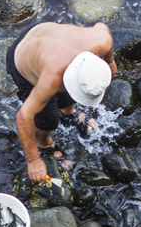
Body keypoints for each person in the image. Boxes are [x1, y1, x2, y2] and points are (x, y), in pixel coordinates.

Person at [7, 21, 117, 183]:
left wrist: (109, 61)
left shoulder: (102, 41)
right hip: (22, 58)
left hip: (46, 35)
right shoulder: (52, 79)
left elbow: (103, 26)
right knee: (48, 118)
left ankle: (69, 112)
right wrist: (33, 161)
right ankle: (44, 143)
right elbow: (24, 116)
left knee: (67, 97)